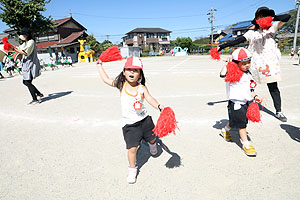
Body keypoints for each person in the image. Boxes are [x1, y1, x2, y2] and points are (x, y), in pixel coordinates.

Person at [96, 56, 164, 184]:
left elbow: (150, 98)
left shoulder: (141, 88)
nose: (132, 72)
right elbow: (106, 79)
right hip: (130, 125)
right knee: (132, 149)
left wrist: (159, 106)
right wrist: (99, 66)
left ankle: (152, 145)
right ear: (124, 72)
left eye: (136, 70)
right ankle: (132, 169)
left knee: (152, 138)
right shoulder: (121, 85)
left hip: (145, 121)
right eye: (129, 69)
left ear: (140, 74)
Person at [218, 7, 290, 122]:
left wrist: (271, 18)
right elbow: (238, 40)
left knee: (273, 88)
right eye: (259, 17)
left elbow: (287, 17)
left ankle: (279, 111)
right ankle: (240, 105)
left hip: (269, 65)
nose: (261, 19)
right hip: (252, 64)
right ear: (255, 19)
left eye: (264, 16)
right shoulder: (251, 33)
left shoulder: (273, 28)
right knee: (244, 85)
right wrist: (223, 46)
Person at [220, 48, 263, 157]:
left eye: (248, 62)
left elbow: (250, 89)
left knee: (236, 120)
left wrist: (255, 96)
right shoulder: (232, 73)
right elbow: (222, 74)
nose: (247, 65)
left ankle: (225, 130)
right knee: (242, 125)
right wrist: (228, 65)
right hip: (236, 103)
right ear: (236, 63)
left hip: (246, 102)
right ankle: (246, 144)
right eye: (243, 63)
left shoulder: (248, 74)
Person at [10, 27, 43, 105]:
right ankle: (38, 93)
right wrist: (12, 47)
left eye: (22, 34)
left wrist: (15, 50)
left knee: (27, 82)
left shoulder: (31, 42)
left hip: (31, 65)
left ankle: (35, 99)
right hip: (26, 65)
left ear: (26, 35)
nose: (21, 36)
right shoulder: (25, 43)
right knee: (26, 82)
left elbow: (25, 53)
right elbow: (19, 48)